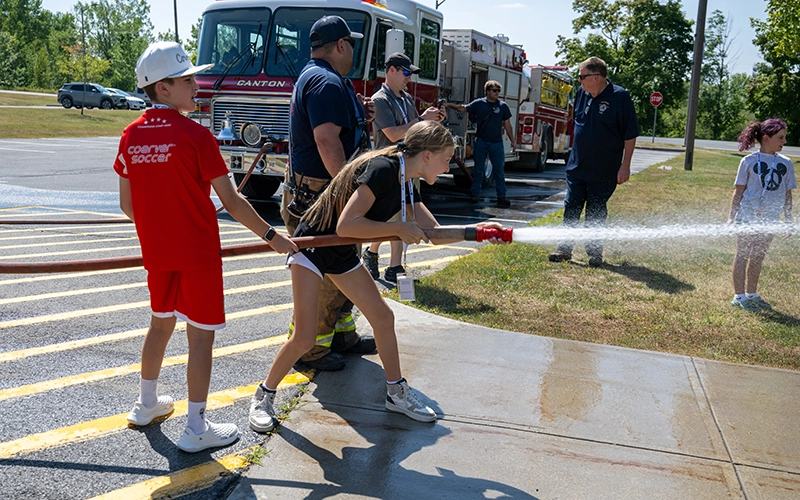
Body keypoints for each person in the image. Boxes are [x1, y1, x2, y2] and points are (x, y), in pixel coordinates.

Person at [249, 121, 509, 432]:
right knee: (305, 337)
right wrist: (397, 228)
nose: (448, 165)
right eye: (446, 158)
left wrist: (478, 233)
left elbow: (433, 234)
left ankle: (396, 393)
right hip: (313, 249)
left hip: (340, 252)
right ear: (427, 155)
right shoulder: (382, 169)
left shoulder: (406, 180)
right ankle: (263, 396)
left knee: (383, 319)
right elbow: (347, 226)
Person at [116, 42, 298, 453]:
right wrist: (272, 237)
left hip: (157, 252)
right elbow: (232, 201)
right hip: (197, 252)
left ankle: (146, 403)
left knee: (160, 324)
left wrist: (160, 226)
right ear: (162, 88)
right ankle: (196, 427)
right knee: (200, 338)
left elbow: (128, 205)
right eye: (187, 79)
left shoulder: (130, 135)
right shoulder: (197, 136)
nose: (196, 85)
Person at [281, 15, 376, 372]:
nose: (352, 51)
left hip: (313, 191)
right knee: (324, 279)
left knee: (344, 268)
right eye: (350, 44)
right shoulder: (326, 83)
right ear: (340, 46)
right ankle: (310, 351)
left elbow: (333, 129)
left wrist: (358, 114)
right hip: (321, 196)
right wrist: (347, 191)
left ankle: (342, 336)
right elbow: (325, 138)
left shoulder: (323, 78)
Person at [361, 52, 445, 283]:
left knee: (401, 215)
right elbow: (393, 133)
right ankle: (387, 263)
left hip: (409, 165)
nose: (409, 78)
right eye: (406, 72)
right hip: (388, 167)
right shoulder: (380, 100)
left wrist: (432, 121)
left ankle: (381, 258)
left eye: (410, 73)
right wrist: (421, 120)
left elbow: (413, 132)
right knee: (394, 216)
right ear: (391, 71)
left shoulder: (405, 98)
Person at [548, 56, 638, 268]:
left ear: (596, 77)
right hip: (577, 166)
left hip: (605, 169)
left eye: (582, 76)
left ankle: (594, 253)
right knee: (572, 206)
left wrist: (625, 166)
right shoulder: (583, 93)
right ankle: (564, 249)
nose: (579, 81)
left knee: (595, 210)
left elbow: (630, 135)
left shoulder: (620, 97)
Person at [728, 118, 795, 311]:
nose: (784, 141)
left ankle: (752, 294)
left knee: (758, 256)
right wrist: (731, 218)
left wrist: (788, 220)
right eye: (781, 137)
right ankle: (739, 297)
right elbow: (738, 191)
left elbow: (788, 195)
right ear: (766, 138)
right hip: (747, 217)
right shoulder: (747, 161)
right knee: (742, 255)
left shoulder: (786, 163)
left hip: (770, 220)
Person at [444, 80, 515, 208]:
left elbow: (508, 125)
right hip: (481, 141)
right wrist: (448, 105)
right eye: (494, 90)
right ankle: (475, 194)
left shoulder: (503, 106)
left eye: (498, 91)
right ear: (487, 91)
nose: (497, 93)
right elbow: (463, 108)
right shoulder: (479, 104)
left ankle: (502, 196)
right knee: (478, 170)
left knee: (499, 170)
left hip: (496, 143)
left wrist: (513, 142)